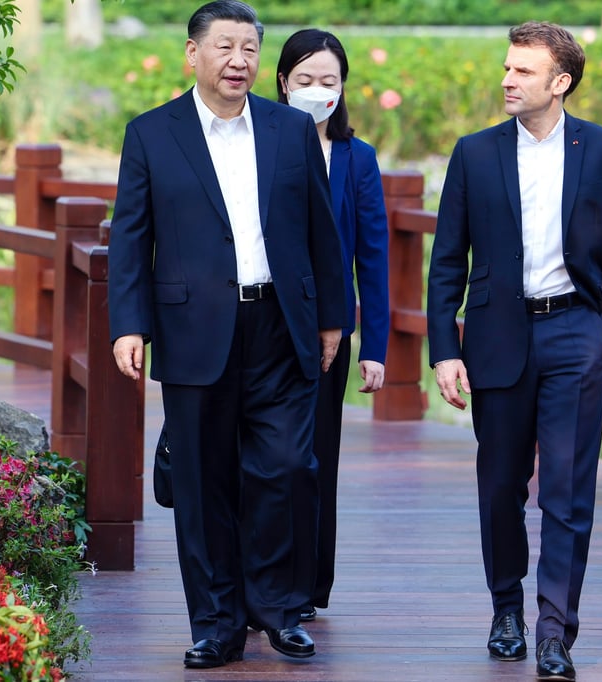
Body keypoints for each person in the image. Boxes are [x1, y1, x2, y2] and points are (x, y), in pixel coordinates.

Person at [107, 0, 346, 669]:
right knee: (204, 481)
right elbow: (132, 237)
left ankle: (276, 610)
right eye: (224, 47)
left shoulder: (289, 130)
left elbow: (321, 231)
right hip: (194, 328)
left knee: (287, 469)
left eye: (249, 49)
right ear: (193, 54)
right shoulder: (152, 133)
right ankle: (217, 623)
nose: (239, 61)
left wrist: (332, 316)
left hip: (281, 324)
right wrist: (129, 324)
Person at [425, 21, 602, 682]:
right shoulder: (475, 152)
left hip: (577, 333)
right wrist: (443, 348)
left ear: (560, 81)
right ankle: (505, 612)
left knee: (569, 494)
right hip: (497, 337)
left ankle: (555, 632)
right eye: (507, 68)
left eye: (522, 71)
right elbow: (445, 263)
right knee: (500, 488)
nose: (507, 80)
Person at [275, 28, 390, 623]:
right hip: (262, 324)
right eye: (305, 81)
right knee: (264, 458)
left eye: (329, 82)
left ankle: (309, 584)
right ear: (282, 83)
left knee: (317, 456)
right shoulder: (259, 144)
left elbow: (372, 256)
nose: (317, 91)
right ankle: (260, 580)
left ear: (343, 89)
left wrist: (375, 346)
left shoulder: (355, 157)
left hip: (327, 334)